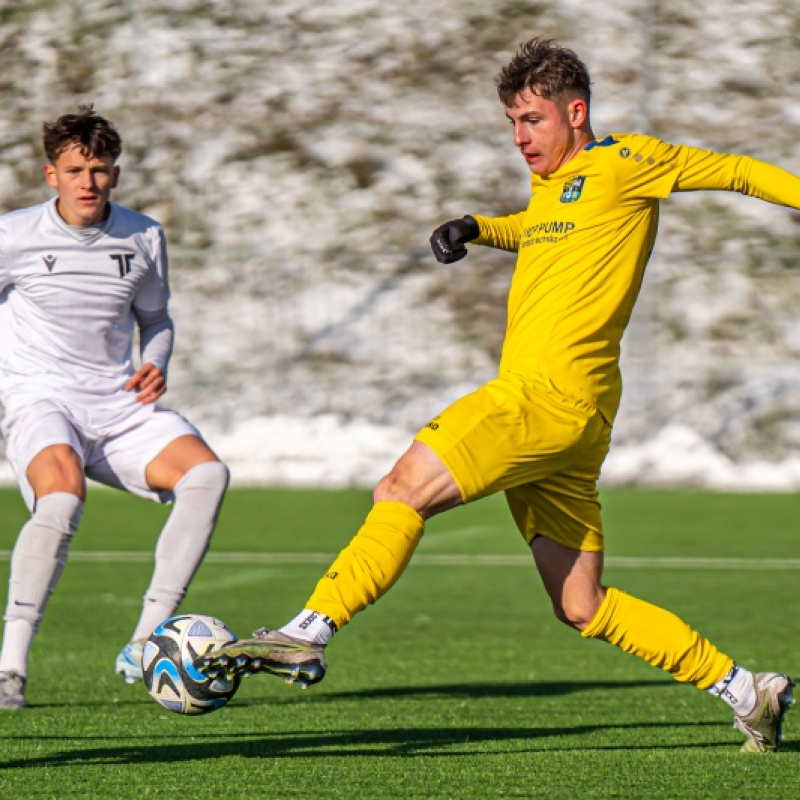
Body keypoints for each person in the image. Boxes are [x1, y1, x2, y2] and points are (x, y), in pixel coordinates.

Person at [197, 39, 797, 752]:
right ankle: (744, 689)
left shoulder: (626, 163)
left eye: (532, 120)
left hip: (542, 400)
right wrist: (481, 228)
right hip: (576, 422)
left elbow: (730, 170)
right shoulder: (556, 189)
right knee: (581, 604)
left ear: (576, 113)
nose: (520, 137)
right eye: (511, 121)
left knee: (401, 487)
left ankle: (308, 631)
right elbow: (543, 234)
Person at [0, 106, 230, 710]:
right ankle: (10, 669)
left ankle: (144, 640)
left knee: (207, 475)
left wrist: (158, 359)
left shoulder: (143, 235)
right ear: (50, 174)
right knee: (62, 493)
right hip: (39, 397)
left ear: (116, 175)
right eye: (74, 169)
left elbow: (156, 319)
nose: (87, 183)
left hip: (119, 402)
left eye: (99, 170)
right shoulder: (14, 235)